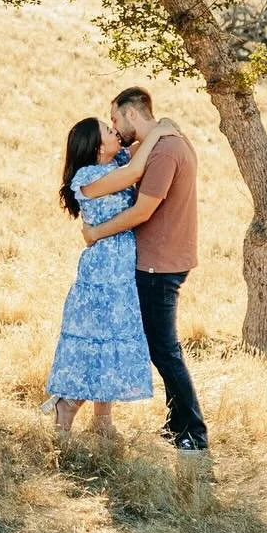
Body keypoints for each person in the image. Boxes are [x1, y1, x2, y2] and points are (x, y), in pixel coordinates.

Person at [80, 86, 209, 452]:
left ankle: (193, 433)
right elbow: (131, 164)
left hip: (159, 263)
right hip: (163, 258)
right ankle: (176, 424)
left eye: (116, 119)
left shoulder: (166, 150)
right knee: (160, 347)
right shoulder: (164, 142)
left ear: (131, 114)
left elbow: (142, 211)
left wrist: (95, 234)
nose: (115, 128)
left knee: (164, 349)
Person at [43, 113, 174, 437]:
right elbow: (135, 170)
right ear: (95, 144)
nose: (113, 129)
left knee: (111, 337)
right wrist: (159, 132)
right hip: (103, 266)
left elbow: (138, 151)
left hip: (121, 261)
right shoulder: (88, 178)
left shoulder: (114, 160)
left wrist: (161, 127)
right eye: (106, 128)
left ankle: (102, 421)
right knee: (97, 337)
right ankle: (67, 403)